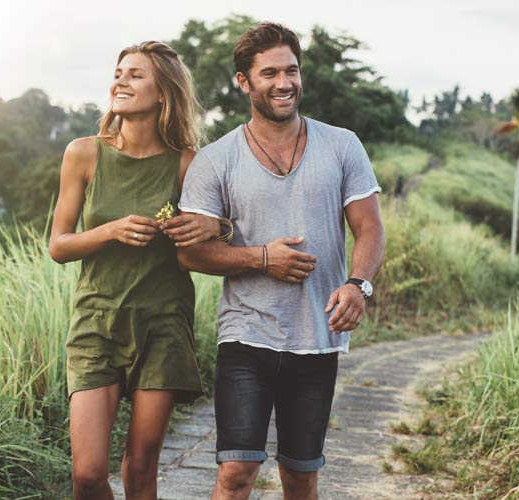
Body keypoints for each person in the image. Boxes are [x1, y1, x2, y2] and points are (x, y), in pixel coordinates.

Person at [176, 22, 386, 500]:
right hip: (246, 335)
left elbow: (370, 228)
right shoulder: (216, 159)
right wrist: (261, 258)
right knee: (235, 474)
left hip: (318, 337)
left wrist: (358, 284)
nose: (284, 82)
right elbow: (189, 250)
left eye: (291, 70)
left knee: (300, 476)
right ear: (244, 82)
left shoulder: (342, 145)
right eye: (269, 73)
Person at [47, 40, 224, 500]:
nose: (120, 80)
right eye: (119, 72)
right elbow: (59, 245)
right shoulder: (84, 154)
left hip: (162, 321)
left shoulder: (187, 164)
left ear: (163, 92)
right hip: (96, 322)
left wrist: (209, 225)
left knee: (141, 471)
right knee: (87, 475)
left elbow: (221, 233)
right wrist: (110, 231)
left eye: (135, 74)